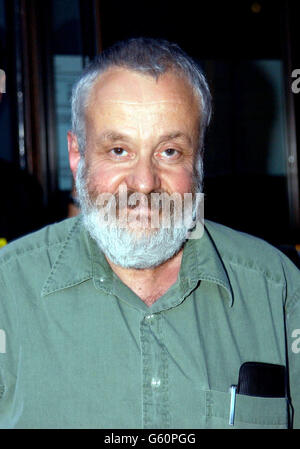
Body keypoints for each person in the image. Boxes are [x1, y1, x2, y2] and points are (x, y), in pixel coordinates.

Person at [0, 38, 299, 429]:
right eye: (118, 150)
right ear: (77, 156)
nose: (144, 183)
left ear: (200, 159)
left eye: (169, 151)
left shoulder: (278, 288)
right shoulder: (7, 290)